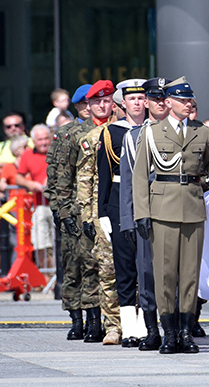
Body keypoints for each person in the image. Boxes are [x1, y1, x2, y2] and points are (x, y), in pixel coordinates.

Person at [132, 76, 209, 354]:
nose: (188, 104)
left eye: (190, 100)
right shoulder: (151, 133)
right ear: (168, 102)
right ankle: (168, 333)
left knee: (190, 275)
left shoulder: (202, 131)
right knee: (165, 274)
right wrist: (142, 214)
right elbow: (139, 177)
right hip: (162, 208)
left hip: (193, 207)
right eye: (183, 100)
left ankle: (185, 332)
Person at [56, 80, 114, 343]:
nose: (99, 106)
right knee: (80, 266)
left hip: (108, 206)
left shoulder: (116, 129)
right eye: (92, 102)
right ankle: (84, 320)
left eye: (106, 100)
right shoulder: (74, 135)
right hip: (82, 209)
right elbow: (63, 177)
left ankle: (105, 320)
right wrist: (64, 212)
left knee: (105, 267)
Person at [97, 78, 149, 348]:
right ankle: (129, 328)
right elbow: (104, 175)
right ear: (123, 103)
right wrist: (103, 210)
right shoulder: (112, 133)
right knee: (125, 266)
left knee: (147, 268)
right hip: (119, 202)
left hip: (149, 203)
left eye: (142, 98)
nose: (138, 103)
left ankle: (147, 326)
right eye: (132, 99)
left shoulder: (154, 130)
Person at [119, 77, 168, 351]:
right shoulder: (134, 136)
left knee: (176, 275)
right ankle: (151, 329)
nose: (160, 103)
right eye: (155, 98)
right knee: (146, 274)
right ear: (147, 102)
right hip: (146, 215)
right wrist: (129, 219)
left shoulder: (184, 133)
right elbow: (128, 182)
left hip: (174, 214)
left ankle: (177, 327)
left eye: (164, 98)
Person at [43, 83, 91, 340]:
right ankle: (76, 318)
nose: (87, 107)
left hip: (94, 207)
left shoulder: (106, 130)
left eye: (90, 102)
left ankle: (98, 319)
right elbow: (56, 176)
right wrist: (59, 209)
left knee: (99, 267)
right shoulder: (65, 134)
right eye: (82, 104)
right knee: (73, 266)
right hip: (71, 207)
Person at [77, 109, 121, 346]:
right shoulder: (96, 137)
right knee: (108, 269)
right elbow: (85, 178)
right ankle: (112, 325)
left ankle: (134, 323)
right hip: (100, 211)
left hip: (126, 207)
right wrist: (87, 216)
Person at [16, 124, 54, 280]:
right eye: (40, 139)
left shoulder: (57, 152)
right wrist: (30, 184)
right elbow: (18, 177)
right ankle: (47, 279)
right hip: (40, 205)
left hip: (59, 204)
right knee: (41, 244)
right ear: (33, 141)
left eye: (46, 138)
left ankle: (60, 279)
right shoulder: (27, 155)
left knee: (60, 243)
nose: (44, 142)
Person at [0, 112, 32, 177]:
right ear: (4, 130)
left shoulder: (32, 142)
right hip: (8, 184)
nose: (13, 128)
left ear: (23, 126)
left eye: (16, 125)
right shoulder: (1, 146)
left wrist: (5, 165)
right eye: (9, 127)